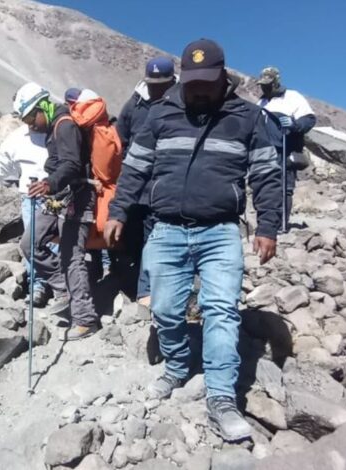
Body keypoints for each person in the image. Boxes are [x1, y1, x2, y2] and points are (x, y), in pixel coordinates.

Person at [105, 39, 281, 441]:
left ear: (224, 76)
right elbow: (135, 167)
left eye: (207, 82)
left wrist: (268, 226)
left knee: (221, 310)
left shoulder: (248, 118)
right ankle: (177, 366)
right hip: (165, 229)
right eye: (192, 82)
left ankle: (221, 397)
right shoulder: (161, 114)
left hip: (220, 231)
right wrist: (118, 211)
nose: (199, 90)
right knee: (165, 309)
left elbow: (267, 176)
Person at [14, 82, 100, 340]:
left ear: (43, 107)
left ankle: (85, 319)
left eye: (31, 117)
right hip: (59, 196)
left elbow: (73, 164)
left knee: (71, 255)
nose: (30, 125)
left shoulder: (65, 125)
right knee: (29, 243)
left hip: (78, 196)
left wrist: (49, 183)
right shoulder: (55, 127)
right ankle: (64, 288)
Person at [0, 123, 63, 309]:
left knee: (56, 241)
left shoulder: (59, 130)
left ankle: (59, 286)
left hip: (57, 195)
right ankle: (38, 285)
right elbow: (3, 161)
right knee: (33, 241)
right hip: (31, 196)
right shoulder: (18, 137)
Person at [117, 57, 177, 305]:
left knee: (154, 238)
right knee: (132, 237)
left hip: (164, 184)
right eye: (153, 83)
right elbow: (119, 139)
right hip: (135, 184)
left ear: (172, 81)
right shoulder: (134, 104)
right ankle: (128, 284)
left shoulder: (181, 102)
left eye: (162, 84)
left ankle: (146, 292)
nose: (156, 88)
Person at [256, 66, 316, 223]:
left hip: (285, 150)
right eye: (262, 84)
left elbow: (309, 119)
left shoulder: (292, 97)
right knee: (265, 188)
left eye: (267, 83)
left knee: (284, 189)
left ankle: (282, 223)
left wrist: (294, 124)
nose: (264, 87)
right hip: (264, 152)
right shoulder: (261, 102)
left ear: (276, 82)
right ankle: (267, 223)